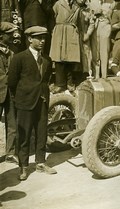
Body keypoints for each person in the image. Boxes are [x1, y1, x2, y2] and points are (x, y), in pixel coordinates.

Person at [8, 26, 57, 181]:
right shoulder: (19, 58)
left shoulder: (47, 60)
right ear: (29, 39)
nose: (42, 41)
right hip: (25, 102)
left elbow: (45, 80)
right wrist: (21, 98)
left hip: (42, 101)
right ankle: (23, 167)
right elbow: (12, 82)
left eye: (44, 38)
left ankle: (41, 162)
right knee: (24, 135)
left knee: (42, 132)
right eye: (39, 38)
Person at [50, 0, 81, 93]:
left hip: (71, 32)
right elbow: (52, 18)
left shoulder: (76, 5)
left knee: (70, 59)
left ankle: (70, 83)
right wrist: (54, 31)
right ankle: (60, 84)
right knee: (59, 59)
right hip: (60, 31)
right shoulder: (58, 4)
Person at [0, 24, 18, 164]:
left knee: (12, 124)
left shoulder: (12, 52)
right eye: (10, 34)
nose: (13, 36)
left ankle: (10, 154)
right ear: (1, 36)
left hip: (10, 93)